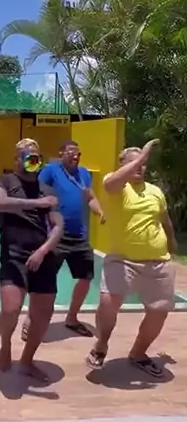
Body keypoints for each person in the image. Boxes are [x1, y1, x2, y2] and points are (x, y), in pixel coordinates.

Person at [86, 140, 176, 378]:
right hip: (122, 260)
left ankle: (138, 353)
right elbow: (112, 182)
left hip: (158, 262)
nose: (140, 166)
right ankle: (101, 344)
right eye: (134, 162)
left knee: (159, 312)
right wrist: (142, 154)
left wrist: (172, 241)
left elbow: (164, 220)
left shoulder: (155, 192)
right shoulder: (115, 185)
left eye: (143, 163)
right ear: (122, 165)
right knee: (107, 303)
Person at [0, 138, 63, 381]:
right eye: (28, 156)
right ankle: (6, 344)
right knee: (10, 310)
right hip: (14, 256)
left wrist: (43, 251)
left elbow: (57, 225)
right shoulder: (5, 181)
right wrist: (36, 203)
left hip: (43, 257)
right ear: (17, 159)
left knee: (43, 315)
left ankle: (27, 361)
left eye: (36, 157)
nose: (33, 160)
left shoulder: (47, 190)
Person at [27, 139, 105, 337]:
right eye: (71, 152)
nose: (75, 156)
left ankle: (72, 317)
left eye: (78, 153)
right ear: (61, 153)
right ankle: (31, 320)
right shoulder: (51, 171)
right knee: (43, 280)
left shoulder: (84, 173)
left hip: (79, 236)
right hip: (55, 235)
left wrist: (99, 211)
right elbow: (37, 192)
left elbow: (89, 196)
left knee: (86, 278)